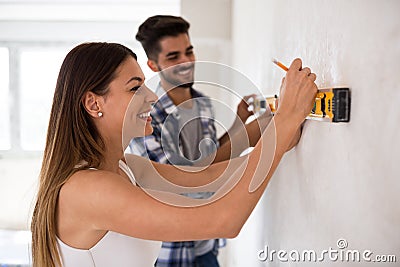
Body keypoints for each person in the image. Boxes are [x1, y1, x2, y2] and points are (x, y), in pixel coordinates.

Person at [30, 41, 317, 267]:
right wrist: (284, 122)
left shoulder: (125, 167)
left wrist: (277, 128)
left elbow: (208, 175)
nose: (152, 96)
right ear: (94, 104)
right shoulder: (88, 189)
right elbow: (224, 221)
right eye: (135, 87)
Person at [129, 15, 265, 267]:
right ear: (153, 65)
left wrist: (238, 122)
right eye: (173, 57)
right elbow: (180, 178)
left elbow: (210, 157)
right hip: (171, 250)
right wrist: (249, 135)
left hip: (207, 246)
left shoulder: (201, 102)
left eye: (188, 52)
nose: (186, 62)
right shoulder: (146, 118)